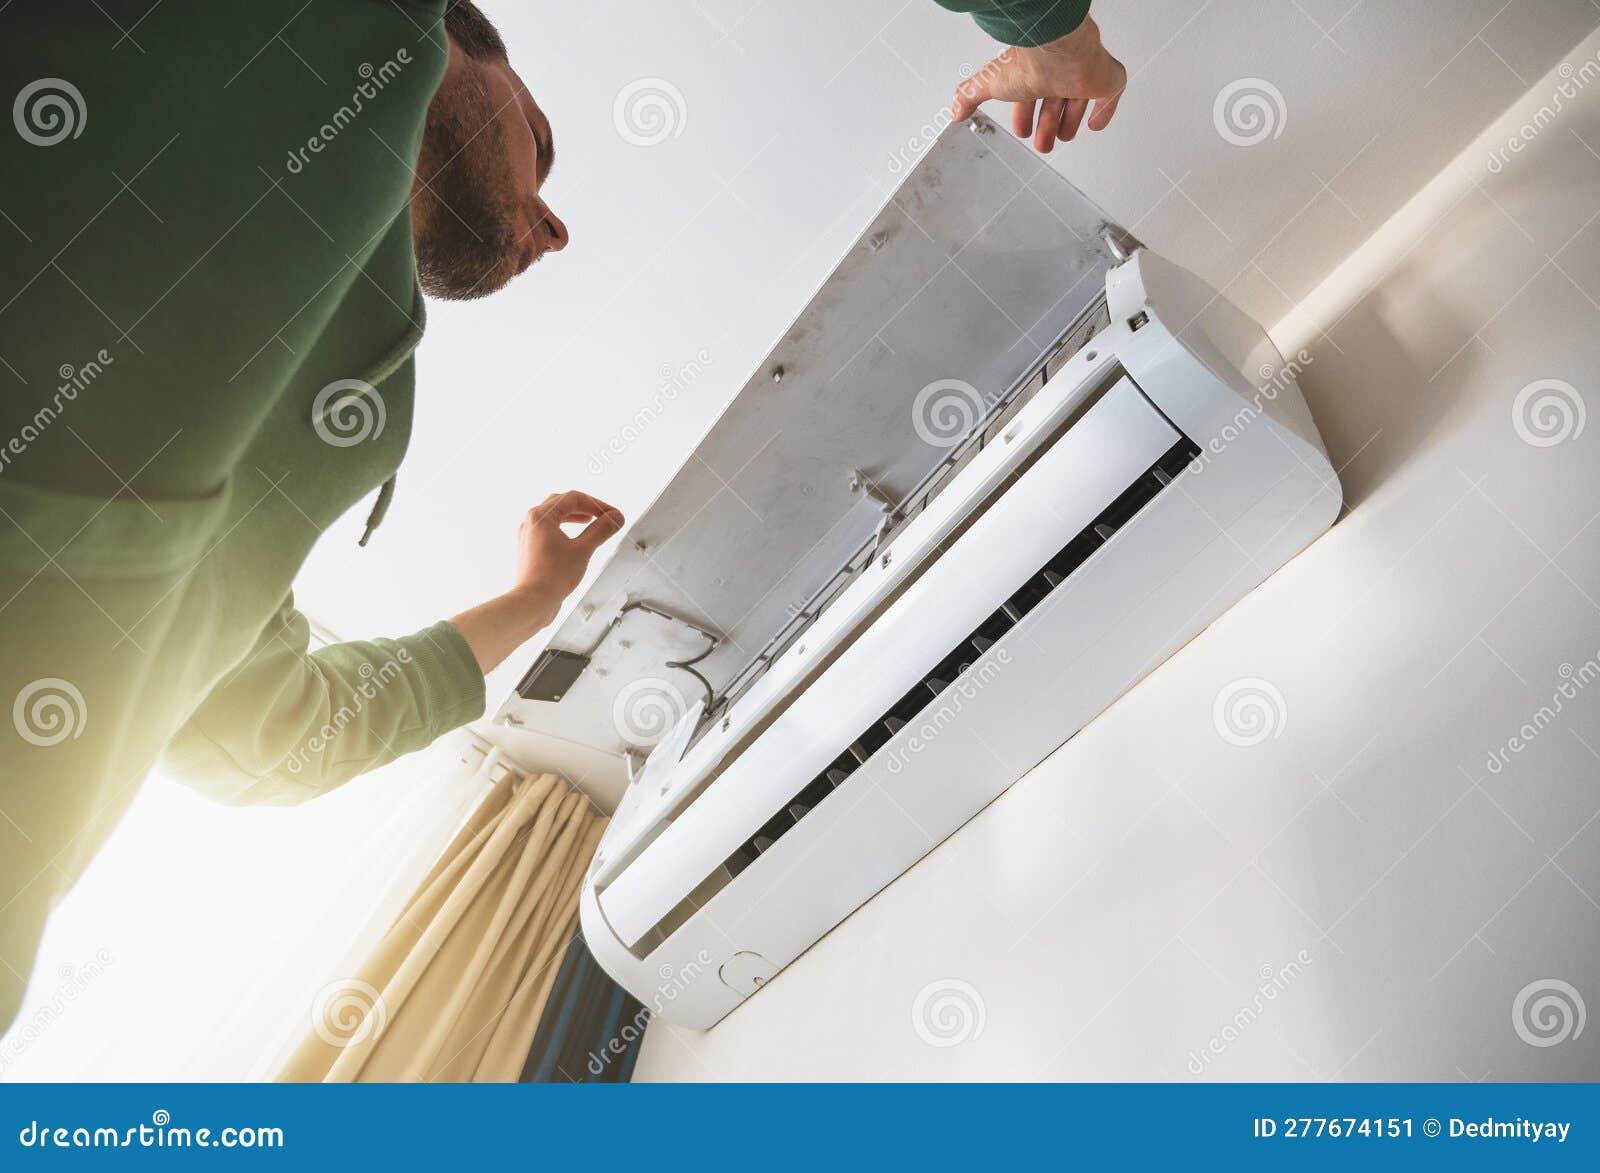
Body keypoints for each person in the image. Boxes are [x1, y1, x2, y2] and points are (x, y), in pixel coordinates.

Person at [0, 0, 1125, 1031]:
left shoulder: (312, 417)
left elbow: (267, 736)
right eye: (543, 142)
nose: (552, 225)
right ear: (457, 38)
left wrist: (533, 602)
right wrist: (1050, 30)